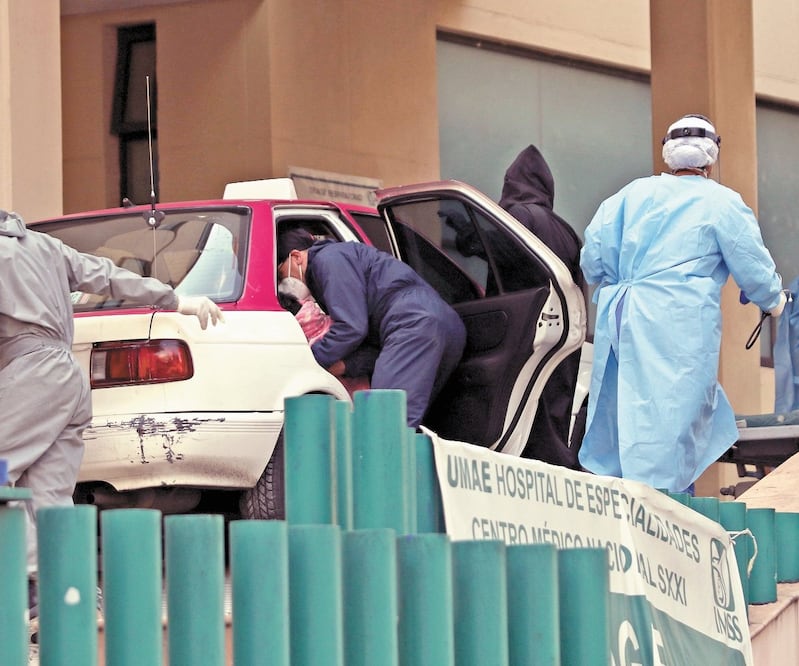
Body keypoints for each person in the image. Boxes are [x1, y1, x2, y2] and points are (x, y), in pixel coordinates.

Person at [0, 209, 223, 617]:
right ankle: (73, 593)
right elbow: (108, 275)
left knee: (1, 477)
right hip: (68, 377)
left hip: (30, 373)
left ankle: (34, 584)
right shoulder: (45, 246)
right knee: (49, 497)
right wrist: (178, 301)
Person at [578, 114, 786, 493]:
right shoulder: (721, 202)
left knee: (624, 413)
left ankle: (621, 510)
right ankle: (665, 516)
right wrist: (774, 302)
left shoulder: (627, 196)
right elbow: (753, 266)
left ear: (666, 152)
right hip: (677, 323)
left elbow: (592, 262)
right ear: (711, 157)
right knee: (670, 421)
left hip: (622, 316)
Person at [277, 229, 467, 428]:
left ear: (297, 256)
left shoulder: (328, 260)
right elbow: (372, 345)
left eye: (282, 274)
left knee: (384, 423)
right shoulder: (340, 261)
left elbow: (351, 328)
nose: (284, 284)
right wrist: (344, 365)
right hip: (442, 323)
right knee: (407, 426)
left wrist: (310, 363)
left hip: (413, 324)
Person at [498, 144, 585, 469]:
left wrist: (464, 231)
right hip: (562, 334)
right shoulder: (566, 230)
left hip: (525, 331)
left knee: (521, 418)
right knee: (552, 413)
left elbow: (497, 251)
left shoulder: (519, 217)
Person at [277, 275, 374, 396]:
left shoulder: (338, 328)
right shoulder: (328, 323)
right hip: (354, 401)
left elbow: (373, 354)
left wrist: (342, 367)